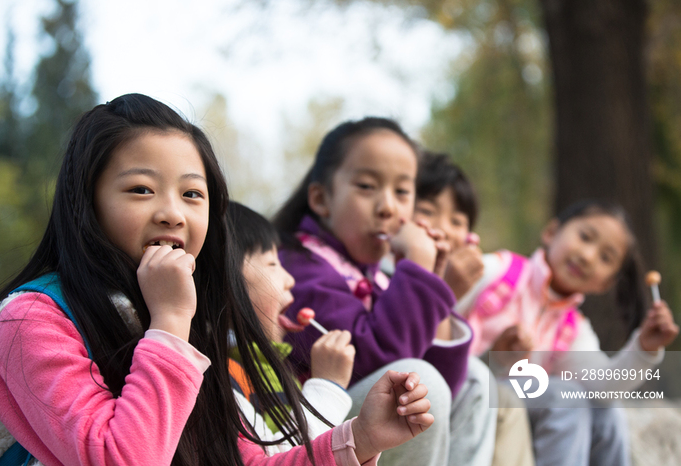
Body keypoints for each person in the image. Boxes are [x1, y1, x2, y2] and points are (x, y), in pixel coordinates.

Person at [0, 94, 434, 466]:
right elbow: (124, 459)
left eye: (192, 194)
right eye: (141, 189)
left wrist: (363, 436)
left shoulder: (183, 324)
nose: (172, 213)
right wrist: (171, 320)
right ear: (86, 202)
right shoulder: (30, 321)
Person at [273, 117, 495, 466]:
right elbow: (378, 366)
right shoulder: (298, 266)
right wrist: (420, 269)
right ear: (320, 198)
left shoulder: (374, 275)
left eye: (402, 191)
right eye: (366, 186)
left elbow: (444, 391)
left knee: (477, 379)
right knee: (414, 386)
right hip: (306, 434)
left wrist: (435, 283)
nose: (388, 206)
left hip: (355, 425)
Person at [456, 199, 680, 466]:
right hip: (469, 389)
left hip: (524, 411)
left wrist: (645, 348)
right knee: (564, 397)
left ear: (606, 284)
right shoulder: (496, 272)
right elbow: (438, 325)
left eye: (605, 257)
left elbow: (604, 386)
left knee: (607, 411)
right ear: (551, 232)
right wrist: (497, 356)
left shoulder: (573, 329)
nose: (587, 256)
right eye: (585, 237)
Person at [413, 149, 535, 466]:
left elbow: (451, 367)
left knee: (504, 397)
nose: (443, 228)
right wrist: (445, 291)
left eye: (457, 220)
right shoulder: (389, 276)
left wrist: (496, 358)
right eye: (427, 210)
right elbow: (411, 358)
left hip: (443, 396)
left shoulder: (460, 286)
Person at [227, 200, 355, 448]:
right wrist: (327, 386)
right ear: (227, 282)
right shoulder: (227, 378)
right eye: (273, 264)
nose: (289, 279)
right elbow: (284, 456)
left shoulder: (275, 369)